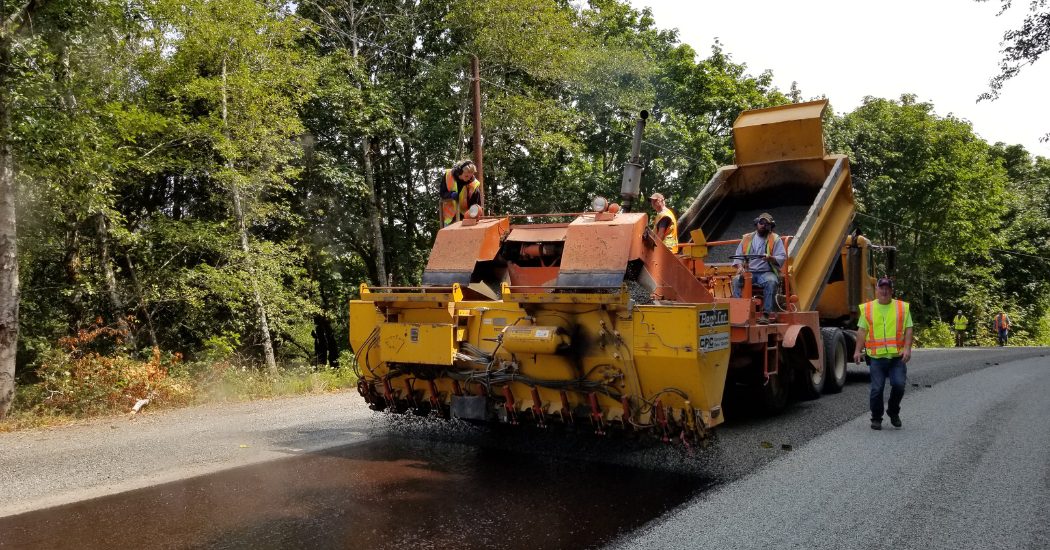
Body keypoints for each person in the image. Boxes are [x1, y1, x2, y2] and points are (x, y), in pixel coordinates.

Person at [853, 277, 913, 430]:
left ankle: (893, 411)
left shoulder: (902, 308)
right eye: (882, 288)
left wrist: (907, 348)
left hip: (897, 357)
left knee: (899, 385)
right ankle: (876, 418)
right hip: (876, 357)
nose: (884, 291)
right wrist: (857, 350)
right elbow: (862, 331)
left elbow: (908, 329)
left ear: (891, 290)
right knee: (877, 389)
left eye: (888, 288)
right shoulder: (868, 309)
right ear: (877, 289)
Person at [731, 212, 786, 323]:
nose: (763, 225)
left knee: (771, 281)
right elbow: (738, 256)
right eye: (761, 222)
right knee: (737, 280)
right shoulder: (747, 238)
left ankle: (766, 314)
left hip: (766, 272)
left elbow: (781, 257)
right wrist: (740, 267)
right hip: (749, 272)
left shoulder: (775, 239)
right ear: (757, 223)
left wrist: (770, 258)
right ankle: (740, 312)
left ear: (770, 226)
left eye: (766, 224)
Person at [439, 160, 482, 227]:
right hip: (449, 219)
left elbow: (475, 206)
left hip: (465, 218)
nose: (468, 179)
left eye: (470, 176)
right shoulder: (448, 175)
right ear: (459, 172)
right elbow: (442, 193)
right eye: (466, 176)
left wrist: (471, 217)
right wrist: (450, 195)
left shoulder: (473, 185)